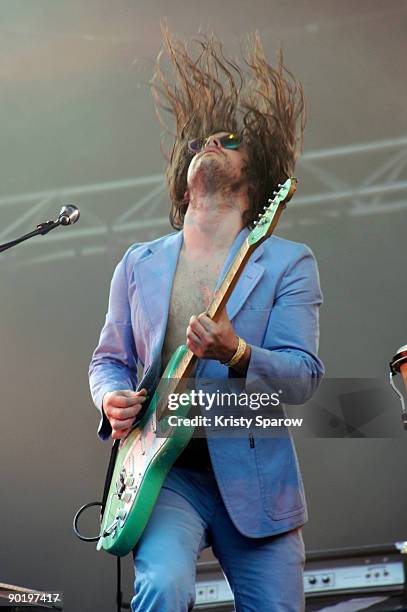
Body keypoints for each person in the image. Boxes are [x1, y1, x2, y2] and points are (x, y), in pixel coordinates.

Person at [89, 27, 324, 612]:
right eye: (200, 142)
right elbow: (108, 360)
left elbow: (303, 378)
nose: (210, 145)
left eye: (230, 140)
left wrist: (238, 352)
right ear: (184, 174)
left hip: (257, 478)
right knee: (163, 587)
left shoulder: (288, 261)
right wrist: (110, 397)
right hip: (164, 474)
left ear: (256, 176)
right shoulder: (138, 263)